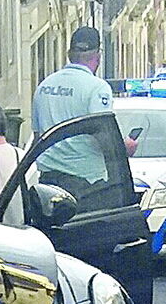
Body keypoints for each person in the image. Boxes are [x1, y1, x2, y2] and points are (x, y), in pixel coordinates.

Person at [31, 26, 138, 209]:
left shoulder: (44, 87)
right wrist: (124, 147)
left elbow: (37, 136)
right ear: (98, 55)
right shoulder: (97, 88)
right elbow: (103, 135)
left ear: (69, 54)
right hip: (86, 185)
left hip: (48, 184)